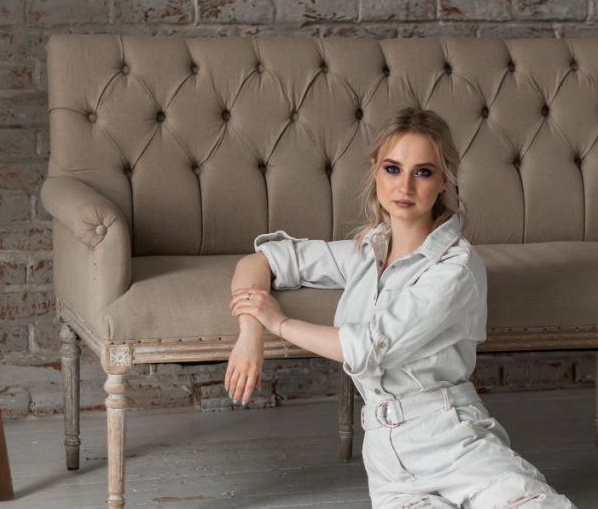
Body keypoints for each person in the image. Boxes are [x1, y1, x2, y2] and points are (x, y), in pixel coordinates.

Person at [225, 107, 576, 509]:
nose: (404, 185)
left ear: (444, 180)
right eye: (393, 168)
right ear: (376, 171)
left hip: (450, 439)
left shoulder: (456, 267)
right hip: (387, 462)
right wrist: (250, 334)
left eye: (423, 172)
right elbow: (259, 262)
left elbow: (372, 347)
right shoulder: (363, 252)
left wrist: (279, 322)